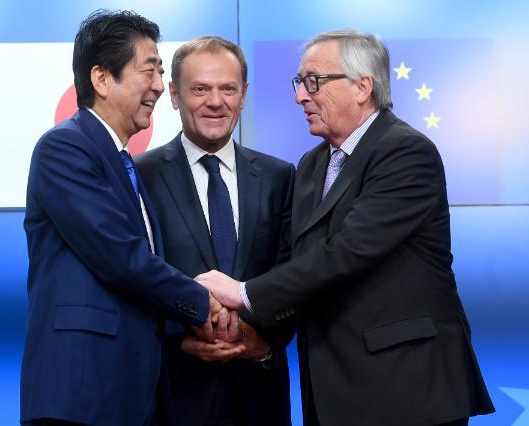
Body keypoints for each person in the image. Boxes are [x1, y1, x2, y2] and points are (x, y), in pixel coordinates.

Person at [197, 29, 495, 426]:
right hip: (332, 391)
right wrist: (251, 330)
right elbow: (296, 261)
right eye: (299, 82)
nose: (300, 96)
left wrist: (243, 293)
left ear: (362, 87)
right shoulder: (311, 165)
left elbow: (347, 253)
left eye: (313, 81)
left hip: (407, 391)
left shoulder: (405, 152)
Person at [20, 10, 221, 426]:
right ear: (101, 78)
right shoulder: (65, 149)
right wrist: (205, 304)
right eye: (149, 71)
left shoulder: (126, 164)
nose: (159, 86)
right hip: (81, 393)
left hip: (133, 390)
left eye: (160, 72)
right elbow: (120, 256)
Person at [135, 37, 294, 426]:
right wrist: (180, 340)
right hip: (176, 394)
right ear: (174, 95)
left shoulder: (280, 177)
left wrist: (265, 343)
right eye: (200, 89)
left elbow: (293, 271)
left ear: (244, 95)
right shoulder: (140, 176)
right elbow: (131, 274)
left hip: (260, 395)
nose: (216, 102)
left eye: (228, 89)